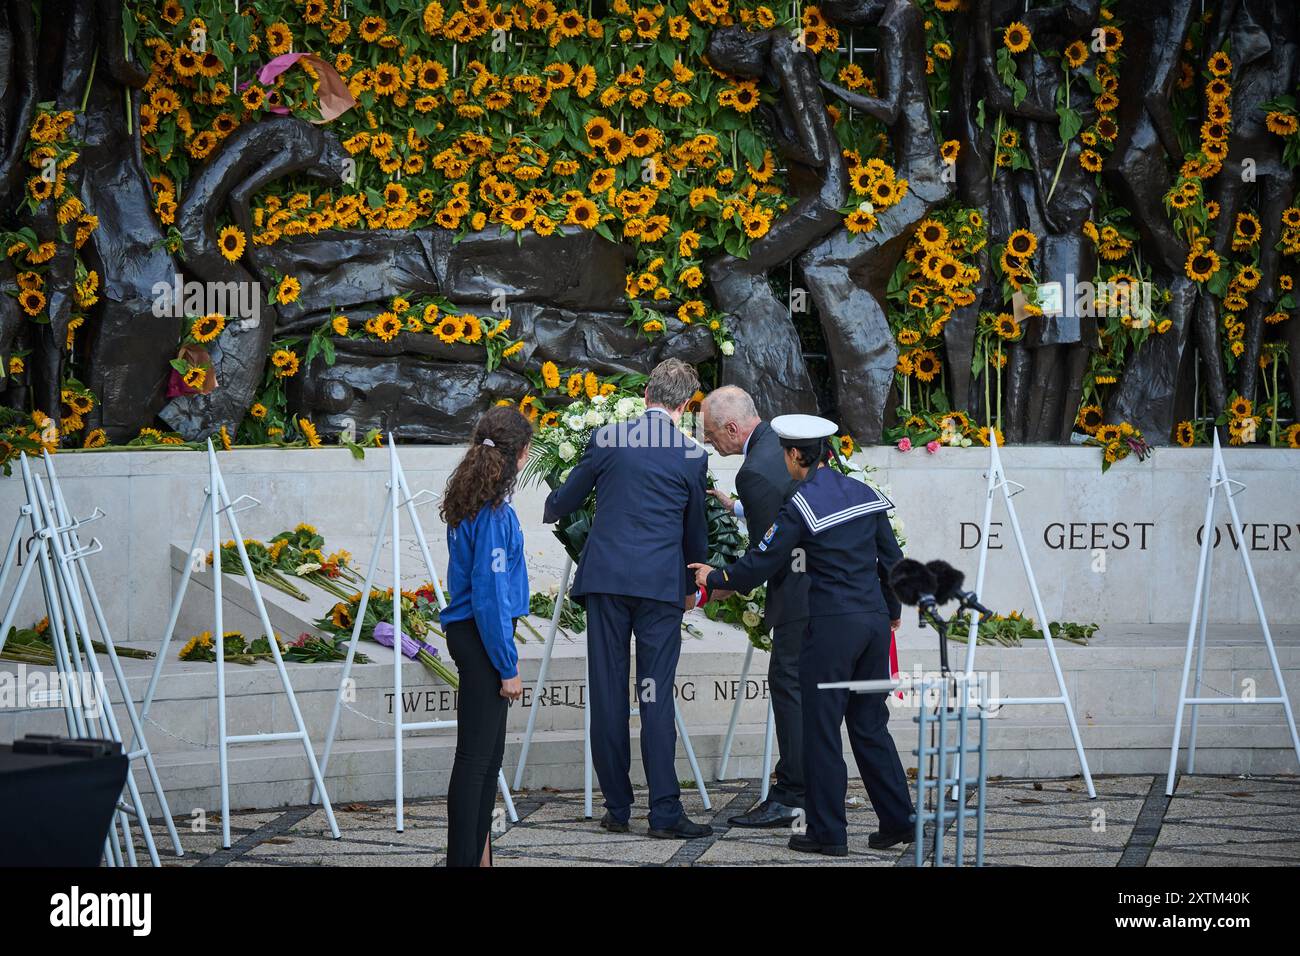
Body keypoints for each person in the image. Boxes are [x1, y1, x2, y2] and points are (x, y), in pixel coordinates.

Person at [690, 414, 914, 856]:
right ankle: (899, 820)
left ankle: (828, 832)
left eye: (787, 456)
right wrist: (890, 612)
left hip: (831, 628)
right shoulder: (865, 494)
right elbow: (893, 560)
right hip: (871, 624)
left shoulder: (801, 502)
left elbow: (761, 563)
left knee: (822, 730)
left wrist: (717, 574)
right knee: (870, 726)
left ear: (796, 455)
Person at [543, 358, 713, 839]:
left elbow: (565, 501)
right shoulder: (691, 455)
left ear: (646, 397)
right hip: (660, 587)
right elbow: (694, 534)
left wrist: (550, 505)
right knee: (655, 696)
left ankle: (617, 808)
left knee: (608, 692)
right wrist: (690, 587)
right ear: (683, 406)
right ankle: (664, 812)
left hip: (607, 581)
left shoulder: (608, 438)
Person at [699, 386, 810, 828]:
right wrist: (739, 508)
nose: (708, 442)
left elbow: (769, 553)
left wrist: (721, 581)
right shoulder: (780, 441)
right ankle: (812, 789)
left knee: (789, 690)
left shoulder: (753, 470)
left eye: (710, 433)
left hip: (799, 600)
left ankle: (792, 794)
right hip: (833, 595)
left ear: (731, 428)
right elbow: (792, 508)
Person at [439, 405, 534, 867]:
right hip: (482, 639)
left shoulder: (471, 497)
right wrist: (508, 665)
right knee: (476, 761)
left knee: (486, 758)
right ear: (519, 456)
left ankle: (480, 857)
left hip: (472, 635)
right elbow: (490, 598)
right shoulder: (493, 514)